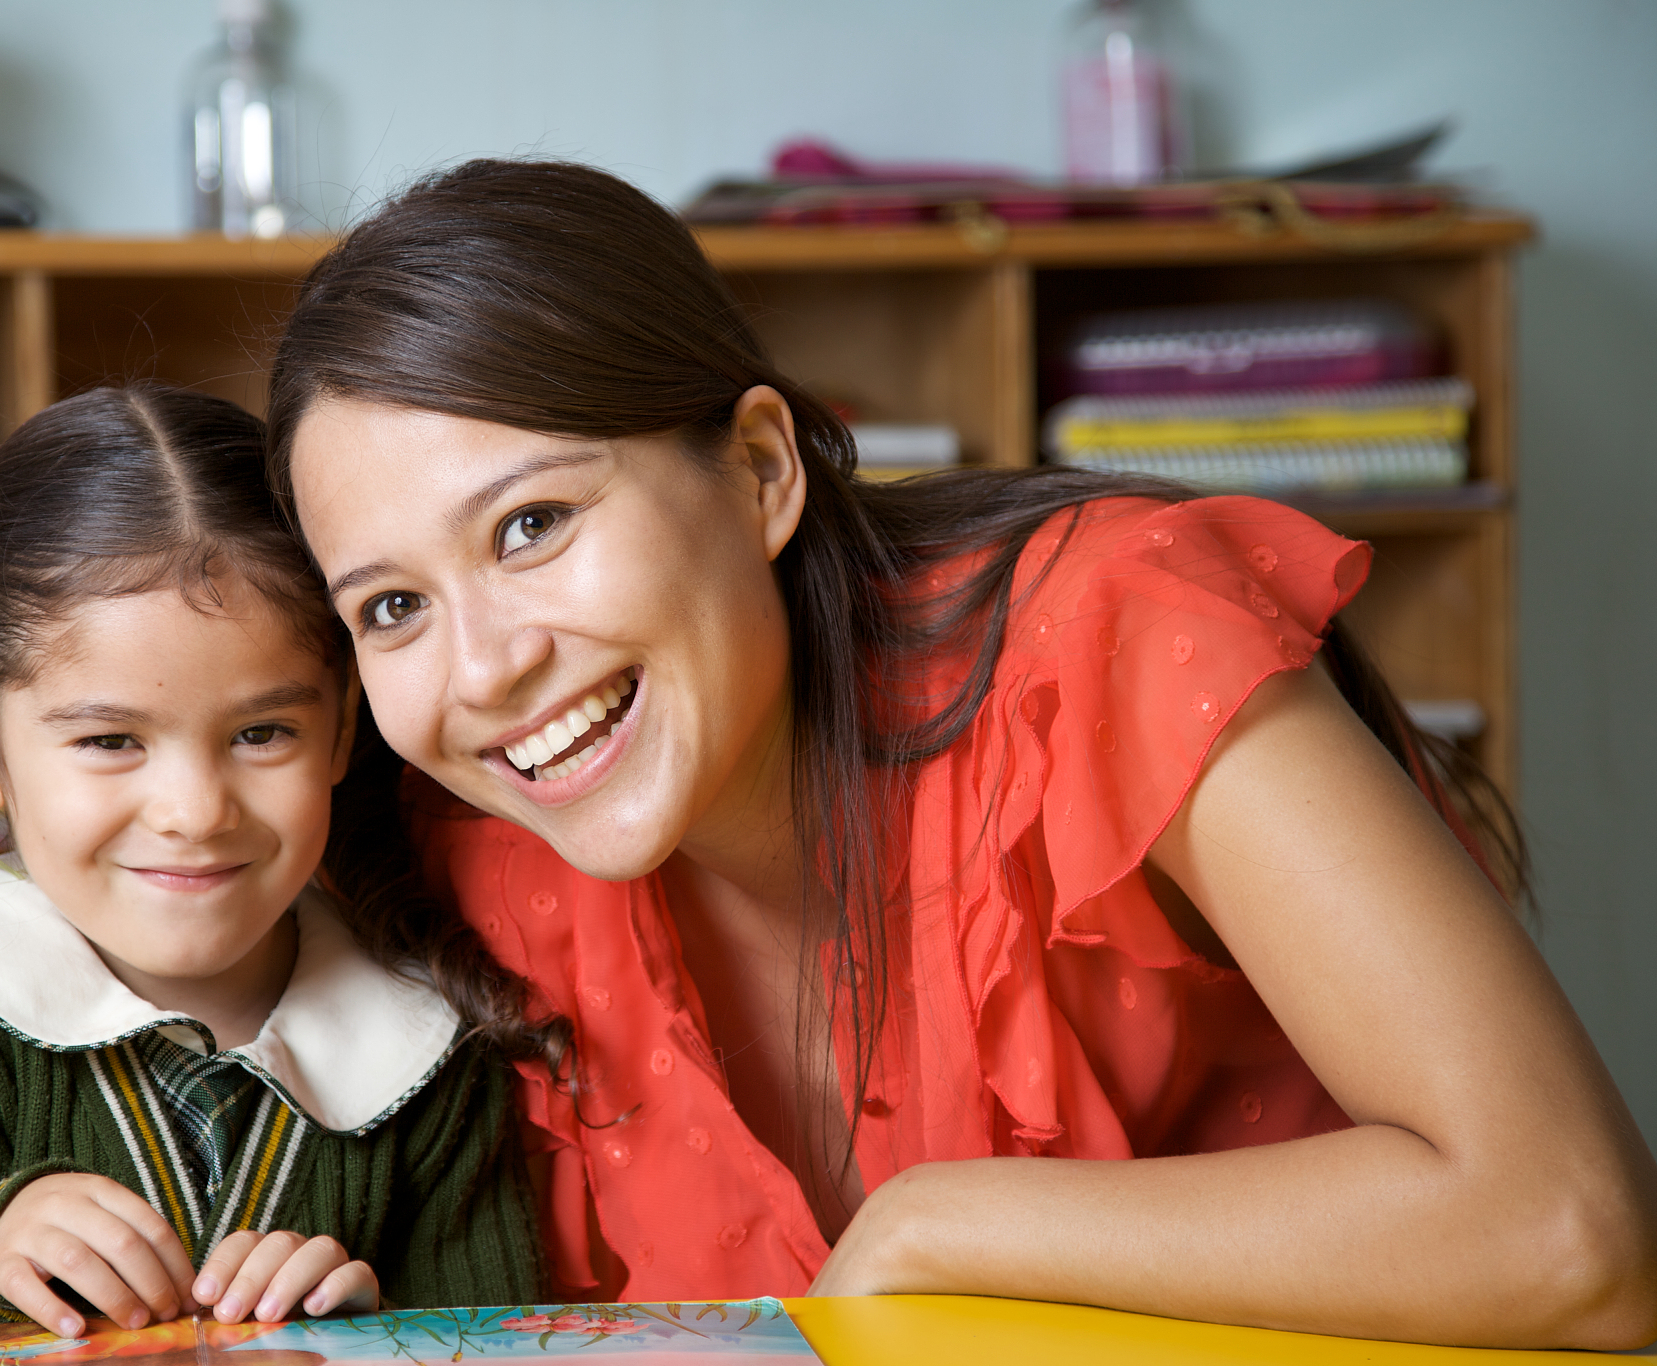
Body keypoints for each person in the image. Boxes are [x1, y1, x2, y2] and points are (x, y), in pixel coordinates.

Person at [265, 159, 1657, 1349]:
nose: (486, 668)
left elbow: (1570, 1228)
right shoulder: (477, 859)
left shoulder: (1116, 635)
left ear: (759, 470)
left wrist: (943, 1226)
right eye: (393, 607)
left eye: (532, 526)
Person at [0, 386, 544, 1337]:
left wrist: (370, 1328)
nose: (194, 812)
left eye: (263, 732)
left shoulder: (429, 1043)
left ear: (343, 727)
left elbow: (490, 1335)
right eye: (109, 741)